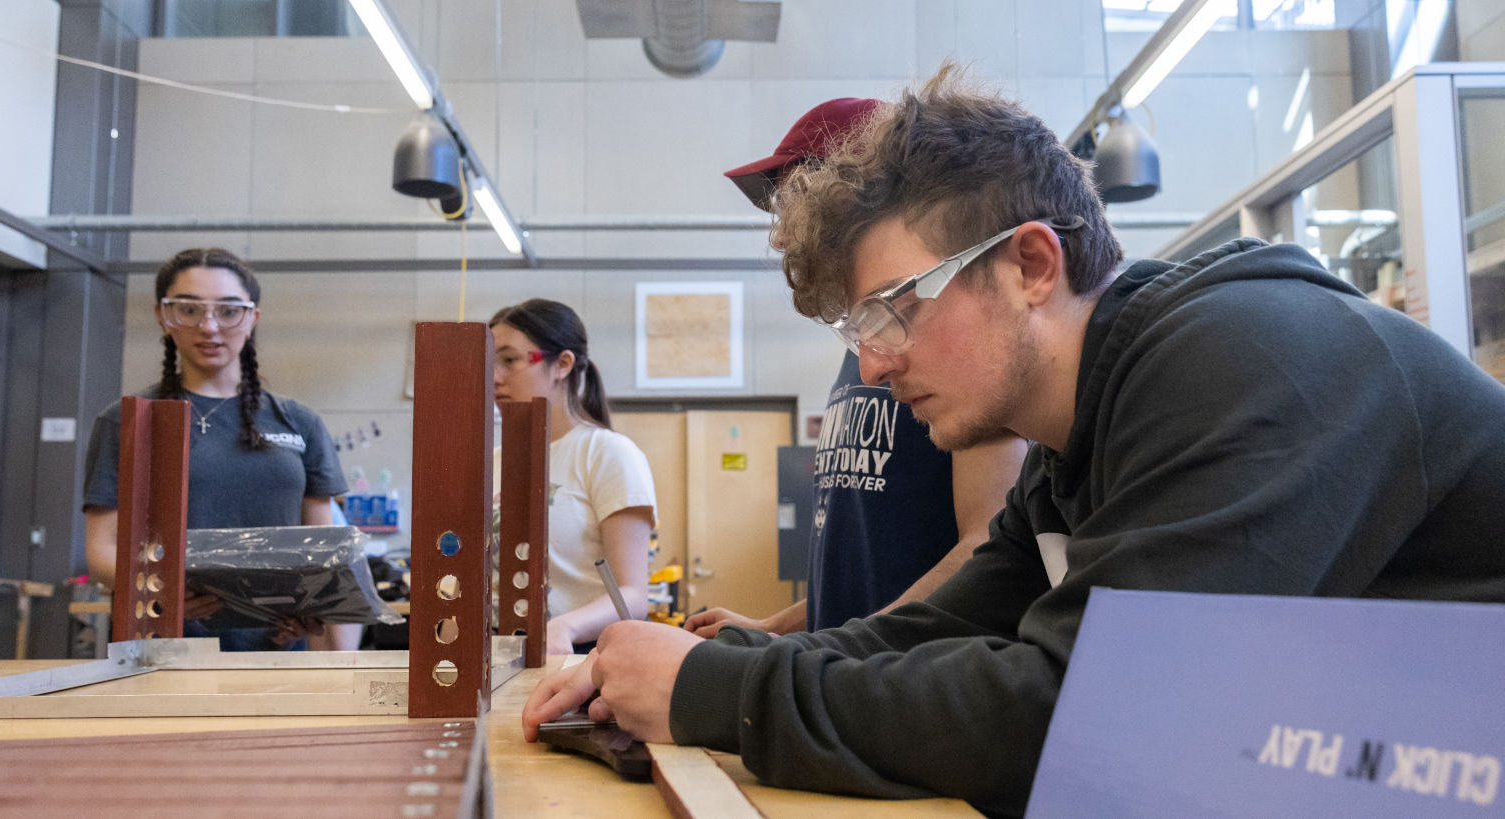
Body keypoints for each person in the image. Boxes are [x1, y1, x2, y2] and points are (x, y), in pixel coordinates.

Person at [522, 65, 1505, 816]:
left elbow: (1090, 712)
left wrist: (718, 688)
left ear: (1031, 263)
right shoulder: (1080, 441)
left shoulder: (1249, 365)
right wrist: (711, 662)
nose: (873, 366)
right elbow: (939, 628)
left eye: (893, 313)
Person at [684, 97, 1027, 639]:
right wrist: (775, 629)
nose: (780, 236)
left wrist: (844, 655)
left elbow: (988, 543)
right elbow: (863, 564)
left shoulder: (949, 350)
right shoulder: (866, 352)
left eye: (796, 206)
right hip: (861, 677)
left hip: (915, 682)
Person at [83, 248, 352, 651]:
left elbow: (323, 549)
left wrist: (314, 609)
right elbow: (102, 548)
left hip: (277, 653)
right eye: (188, 310)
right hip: (162, 650)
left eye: (228, 311)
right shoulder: (127, 422)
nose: (209, 327)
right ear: (163, 316)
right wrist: (163, 589)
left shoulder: (298, 422)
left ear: (252, 319)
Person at [490, 298, 658, 655]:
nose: (495, 377)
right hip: (500, 652)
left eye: (509, 360)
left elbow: (633, 595)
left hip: (581, 654)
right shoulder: (495, 460)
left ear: (562, 364)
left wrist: (564, 626)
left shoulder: (609, 454)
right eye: (489, 362)